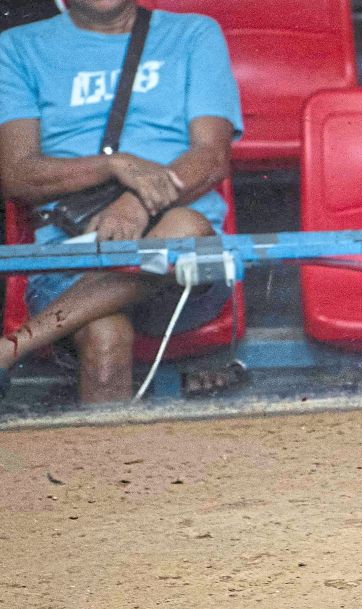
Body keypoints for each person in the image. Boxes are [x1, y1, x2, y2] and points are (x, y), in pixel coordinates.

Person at [0, 0, 242, 403]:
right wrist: (116, 166)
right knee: (104, 332)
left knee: (184, 226)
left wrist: (137, 204)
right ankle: (108, 465)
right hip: (72, 257)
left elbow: (212, 157)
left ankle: (11, 348)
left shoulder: (193, 34)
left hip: (186, 274)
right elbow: (16, 175)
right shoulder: (17, 47)